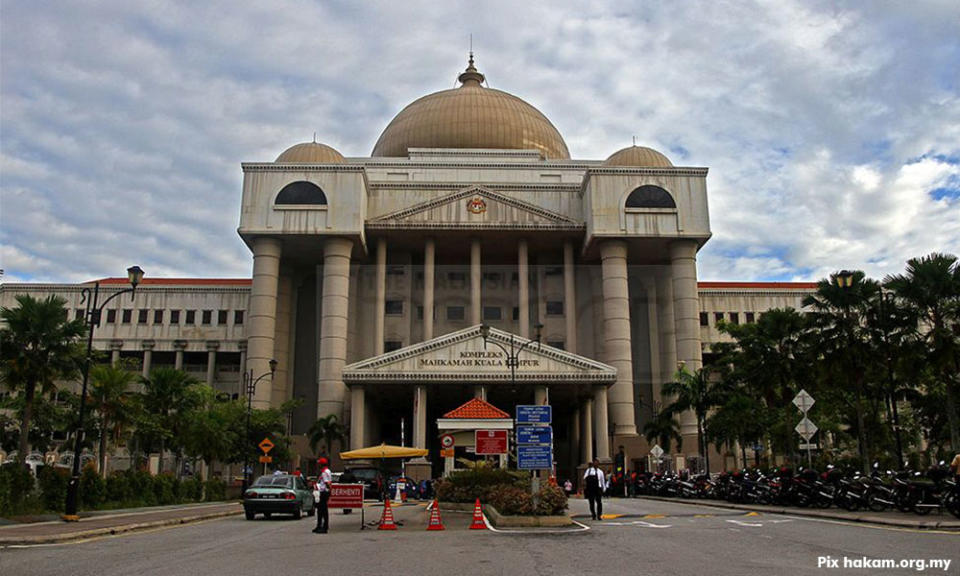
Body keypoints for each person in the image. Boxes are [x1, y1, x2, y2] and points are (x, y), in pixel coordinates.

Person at [313, 457, 332, 534]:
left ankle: (324, 527)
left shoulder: (324, 472)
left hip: (323, 493)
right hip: (324, 492)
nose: (318, 465)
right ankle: (319, 525)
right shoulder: (327, 471)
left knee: (322, 510)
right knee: (321, 510)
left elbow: (327, 483)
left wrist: (328, 490)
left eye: (319, 464)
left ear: (322, 464)